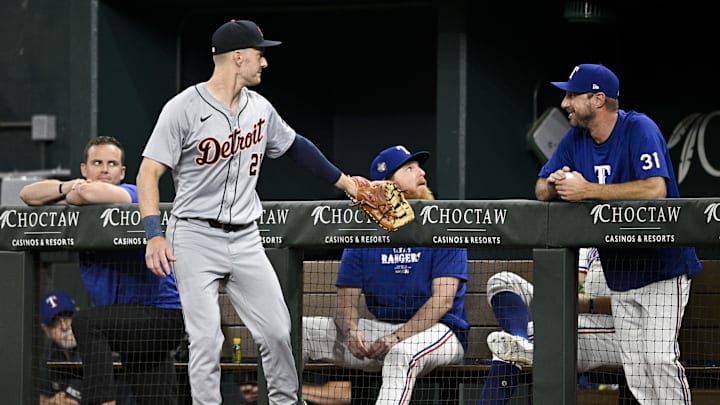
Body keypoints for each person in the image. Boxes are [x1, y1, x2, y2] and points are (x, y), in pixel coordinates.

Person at [136, 19, 367, 405]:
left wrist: (345, 183)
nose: (265, 63)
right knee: (207, 337)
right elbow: (148, 172)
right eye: (260, 54)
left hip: (245, 235)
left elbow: (296, 146)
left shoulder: (259, 108)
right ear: (237, 57)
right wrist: (153, 233)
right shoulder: (183, 108)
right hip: (193, 235)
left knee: (277, 331)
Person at [535, 63, 702, 404]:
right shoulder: (576, 138)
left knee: (659, 361)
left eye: (571, 95)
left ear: (597, 99)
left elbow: (656, 189)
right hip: (620, 273)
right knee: (637, 371)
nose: (565, 104)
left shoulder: (638, 127)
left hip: (663, 268)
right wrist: (556, 185)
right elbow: (539, 189)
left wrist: (587, 190)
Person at [20, 136, 186, 405]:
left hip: (161, 317)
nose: (105, 169)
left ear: (122, 172)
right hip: (127, 329)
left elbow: (88, 194)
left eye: (112, 164)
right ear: (84, 169)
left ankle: (101, 401)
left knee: (85, 322)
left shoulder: (134, 195)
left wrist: (73, 193)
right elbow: (27, 195)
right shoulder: (79, 196)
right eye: (97, 163)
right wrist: (69, 186)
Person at [302, 145, 469, 404]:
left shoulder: (442, 223)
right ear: (385, 186)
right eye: (409, 168)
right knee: (303, 331)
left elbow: (443, 301)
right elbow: (347, 299)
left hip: (442, 333)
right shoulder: (364, 233)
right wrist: (351, 330)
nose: (421, 172)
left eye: (419, 167)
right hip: (385, 333)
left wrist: (397, 337)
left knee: (400, 354)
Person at [478, 247, 623, 404]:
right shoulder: (590, 244)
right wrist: (565, 296)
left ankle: (520, 342)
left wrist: (588, 304)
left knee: (507, 344)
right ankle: (521, 339)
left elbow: (631, 302)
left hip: (618, 331)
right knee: (502, 280)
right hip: (579, 315)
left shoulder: (631, 239)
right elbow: (575, 281)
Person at [37, 291, 136, 405]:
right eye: (55, 323)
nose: (65, 327)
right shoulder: (49, 355)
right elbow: (43, 398)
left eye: (68, 316)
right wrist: (53, 402)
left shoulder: (96, 342)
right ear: (45, 330)